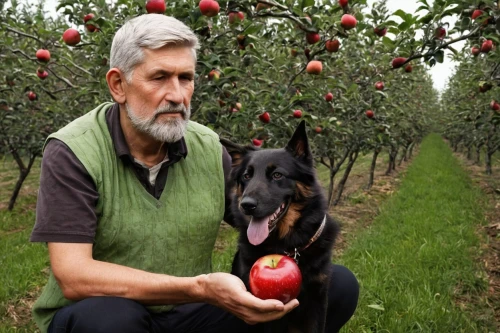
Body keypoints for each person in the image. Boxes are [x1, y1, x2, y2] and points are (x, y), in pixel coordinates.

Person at [30, 14, 359, 333]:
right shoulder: (74, 151)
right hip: (105, 309)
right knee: (110, 319)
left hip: (189, 313)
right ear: (118, 85)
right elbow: (75, 277)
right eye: (159, 78)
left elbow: (259, 214)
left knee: (338, 284)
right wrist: (200, 288)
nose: (177, 95)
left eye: (185, 78)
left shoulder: (209, 149)